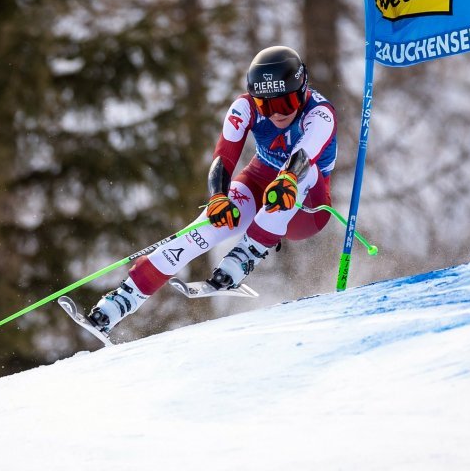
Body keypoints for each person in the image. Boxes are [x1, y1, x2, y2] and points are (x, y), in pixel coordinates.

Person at [87, 45, 338, 332]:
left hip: (308, 208)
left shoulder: (320, 114)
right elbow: (225, 155)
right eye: (265, 105)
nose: (276, 114)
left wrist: (289, 179)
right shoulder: (244, 108)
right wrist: (218, 197)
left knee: (295, 178)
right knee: (207, 226)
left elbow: (304, 154)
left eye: (286, 103)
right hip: (260, 182)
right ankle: (121, 301)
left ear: (303, 90)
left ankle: (247, 253)